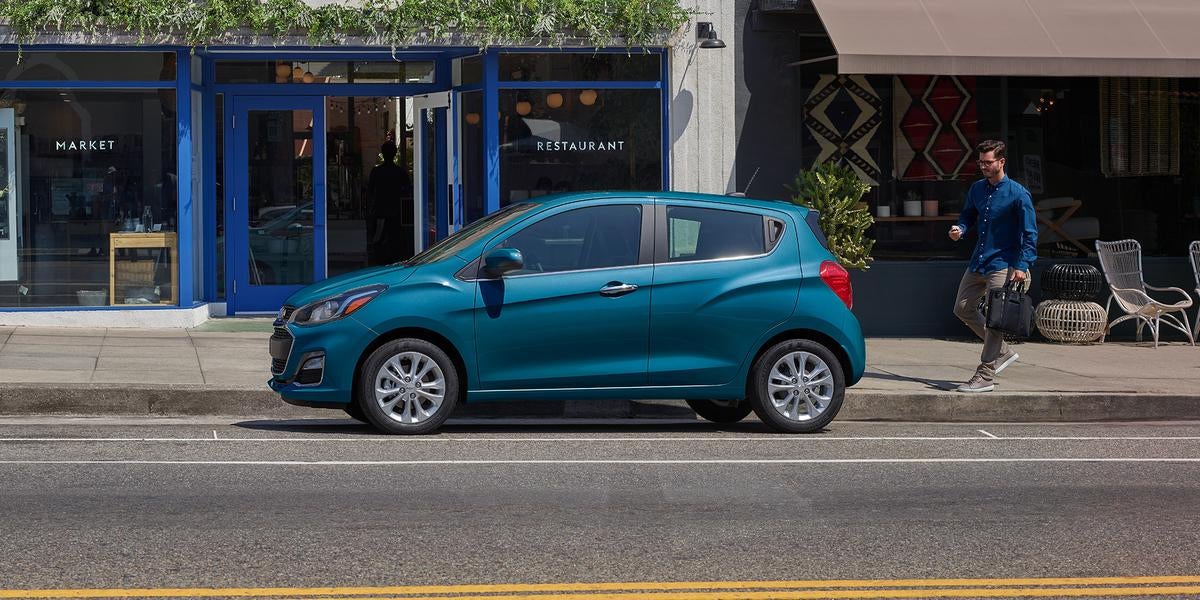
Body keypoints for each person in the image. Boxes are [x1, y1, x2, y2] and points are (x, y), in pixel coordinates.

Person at [948, 140, 1038, 393]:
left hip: (1004, 263)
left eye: (988, 162)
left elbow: (1030, 234)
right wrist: (961, 229)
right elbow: (968, 215)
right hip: (980, 260)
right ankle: (1003, 352)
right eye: (981, 163)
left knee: (995, 320)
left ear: (1001, 162)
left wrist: (1021, 265)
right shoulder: (977, 189)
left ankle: (986, 374)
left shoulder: (1019, 194)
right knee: (962, 308)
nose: (984, 167)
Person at [366, 141, 413, 265]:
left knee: (379, 241)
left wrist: (370, 209)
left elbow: (369, 193)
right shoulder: (400, 172)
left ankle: (380, 263)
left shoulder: (377, 172)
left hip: (380, 212)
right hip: (395, 213)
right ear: (394, 153)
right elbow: (408, 191)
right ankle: (393, 262)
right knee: (394, 241)